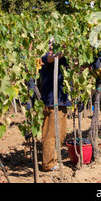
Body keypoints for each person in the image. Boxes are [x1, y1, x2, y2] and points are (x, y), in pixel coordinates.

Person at [39, 39, 71, 172]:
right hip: (52, 102)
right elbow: (53, 58)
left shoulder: (64, 59)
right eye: (52, 43)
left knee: (61, 134)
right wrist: (66, 48)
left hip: (62, 101)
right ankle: (48, 164)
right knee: (51, 134)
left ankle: (55, 160)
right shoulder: (46, 56)